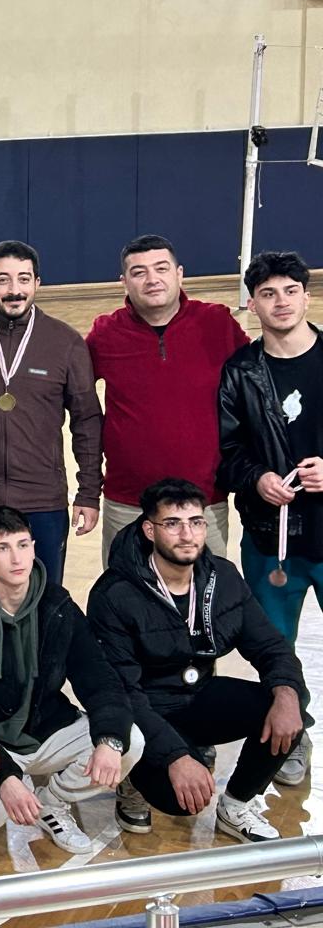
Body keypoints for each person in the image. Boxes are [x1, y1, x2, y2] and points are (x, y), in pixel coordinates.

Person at [88, 478, 309, 843]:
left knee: (287, 707)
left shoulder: (223, 577)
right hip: (144, 709)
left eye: (195, 522)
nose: (187, 534)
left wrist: (286, 693)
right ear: (149, 530)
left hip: (197, 695)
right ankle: (133, 777)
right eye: (172, 524)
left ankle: (236, 806)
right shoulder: (114, 594)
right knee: (181, 799)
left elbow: (271, 647)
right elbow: (121, 691)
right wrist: (176, 757)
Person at [0, 506, 142, 855]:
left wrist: (109, 739)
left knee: (129, 741)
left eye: (23, 545)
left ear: (34, 547)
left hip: (46, 731)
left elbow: (98, 677)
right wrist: (5, 777)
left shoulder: (57, 604)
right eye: (2, 548)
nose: (16, 558)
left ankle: (53, 803)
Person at [0, 240, 102, 587]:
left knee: (45, 599)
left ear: (37, 283)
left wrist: (88, 493)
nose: (15, 290)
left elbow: (86, 420)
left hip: (42, 499)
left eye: (24, 279)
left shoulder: (66, 342)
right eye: (3, 280)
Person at [217, 250, 323, 783]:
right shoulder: (240, 371)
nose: (280, 302)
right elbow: (227, 450)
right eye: (267, 294)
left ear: (306, 295)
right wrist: (256, 477)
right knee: (275, 649)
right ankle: (294, 732)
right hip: (271, 540)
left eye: (290, 291)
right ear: (252, 304)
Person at [87, 234, 248, 561]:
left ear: (179, 274)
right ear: (124, 281)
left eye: (161, 268)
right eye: (139, 272)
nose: (152, 279)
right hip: (128, 501)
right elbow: (68, 396)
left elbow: (260, 385)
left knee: (209, 589)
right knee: (125, 589)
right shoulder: (105, 334)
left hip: (203, 500)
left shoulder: (217, 323)